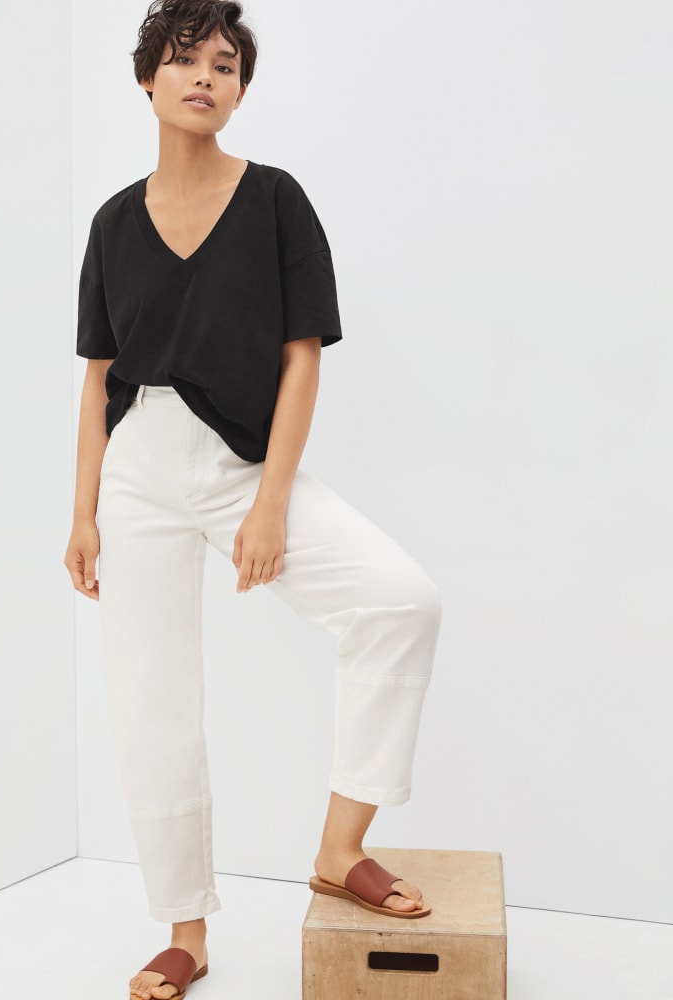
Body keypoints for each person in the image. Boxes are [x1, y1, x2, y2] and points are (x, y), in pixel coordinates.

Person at [62, 1, 442, 997]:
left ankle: (340, 846)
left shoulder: (275, 200)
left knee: (400, 602)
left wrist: (270, 502)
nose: (205, 76)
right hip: (138, 470)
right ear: (146, 79)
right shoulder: (112, 223)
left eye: (225, 66)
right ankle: (185, 931)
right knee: (150, 698)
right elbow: (98, 378)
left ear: (239, 92)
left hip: (242, 467)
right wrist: (83, 511)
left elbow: (301, 358)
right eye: (185, 60)